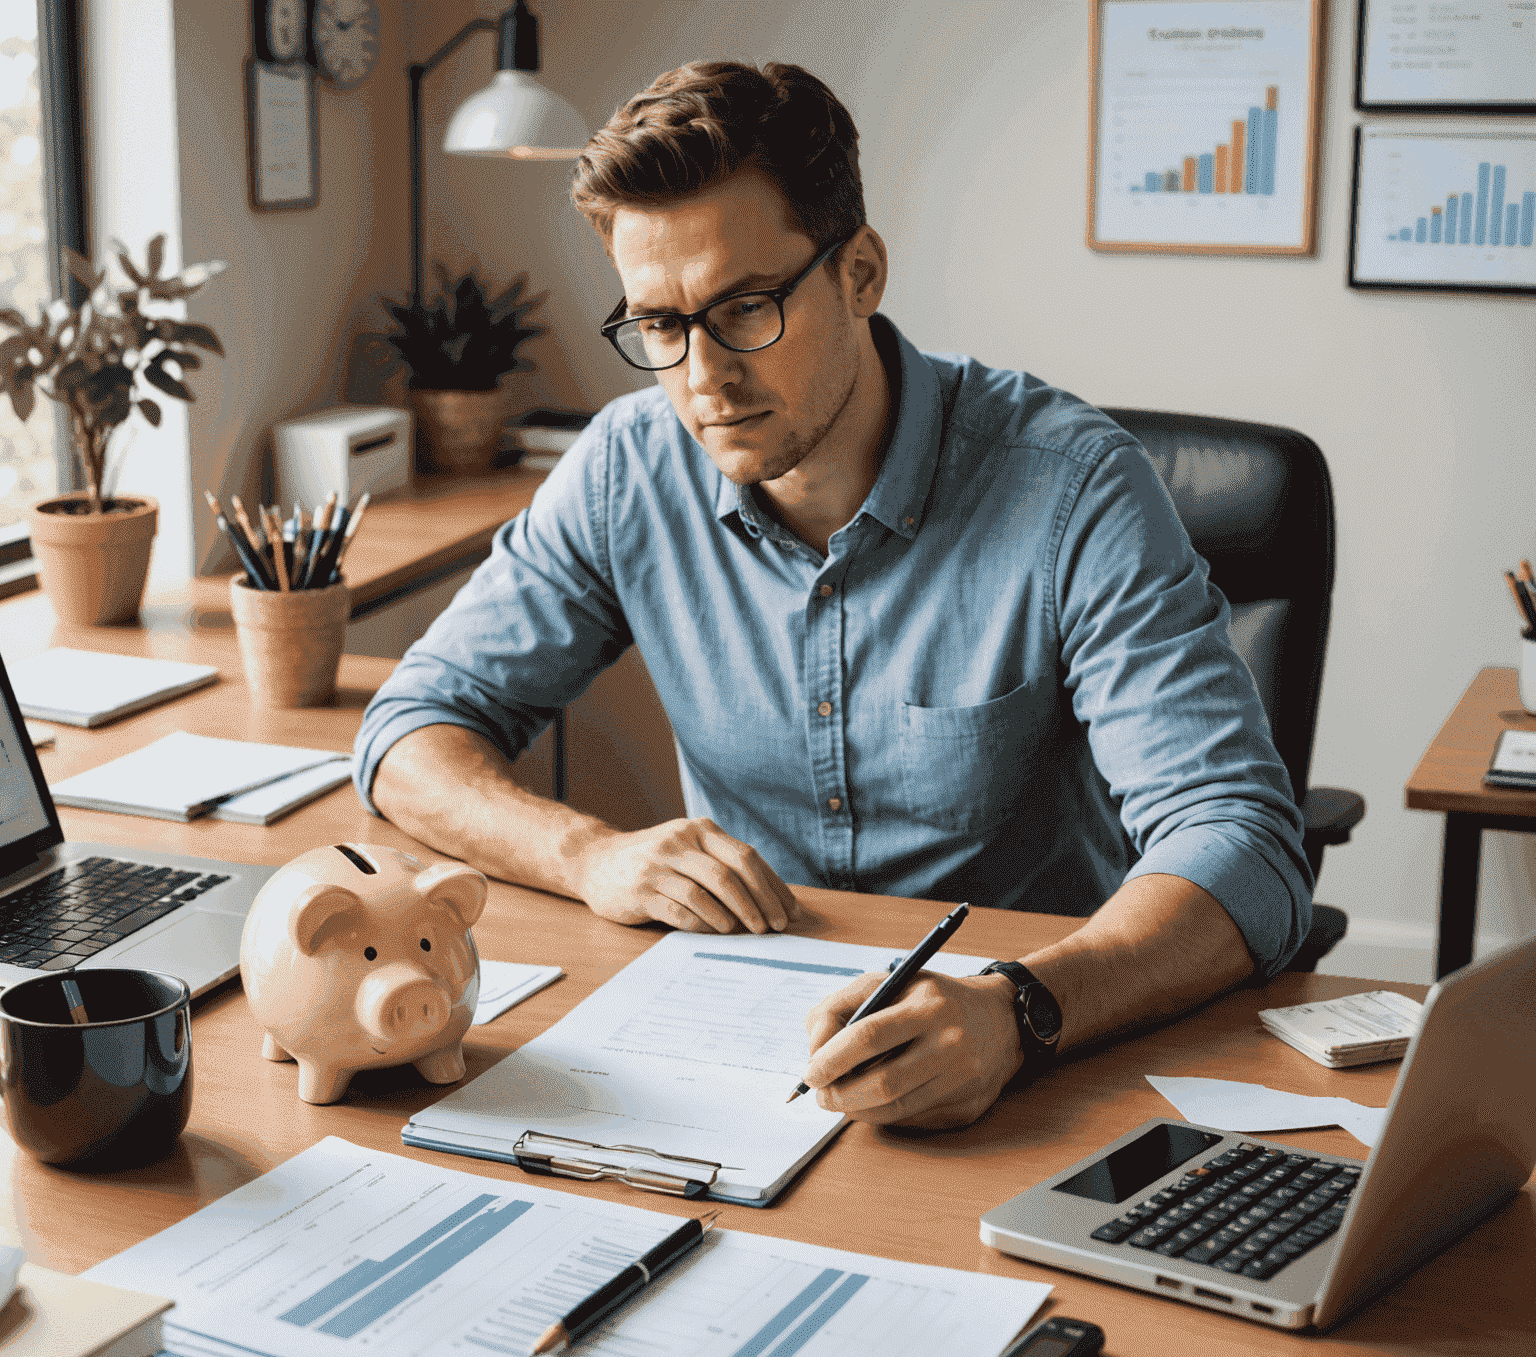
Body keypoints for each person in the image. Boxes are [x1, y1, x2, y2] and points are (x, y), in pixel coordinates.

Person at [355, 60, 1312, 1132]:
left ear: (860, 273)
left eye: (745, 308)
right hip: (736, 1060)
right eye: (659, 326)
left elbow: (1243, 842)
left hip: (1032, 1057)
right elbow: (408, 733)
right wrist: (592, 855)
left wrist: (1022, 1008)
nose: (702, 377)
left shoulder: (1072, 489)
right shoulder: (629, 465)